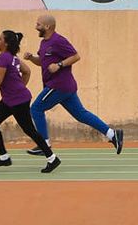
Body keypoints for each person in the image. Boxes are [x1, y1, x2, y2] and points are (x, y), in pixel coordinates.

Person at [21, 14, 124, 155]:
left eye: (38, 24)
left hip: (59, 85)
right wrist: (32, 58)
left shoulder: (58, 40)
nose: (35, 27)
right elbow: (42, 62)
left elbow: (76, 56)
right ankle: (113, 134)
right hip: (64, 88)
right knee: (81, 115)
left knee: (36, 109)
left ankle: (44, 144)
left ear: (47, 26)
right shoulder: (44, 43)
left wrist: (59, 65)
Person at [0, 29, 60, 173]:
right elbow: (27, 71)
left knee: (29, 130)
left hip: (17, 100)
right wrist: (20, 87)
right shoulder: (12, 57)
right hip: (11, 99)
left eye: (0, 39)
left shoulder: (3, 58)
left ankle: (52, 158)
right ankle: (4, 157)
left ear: (6, 44)